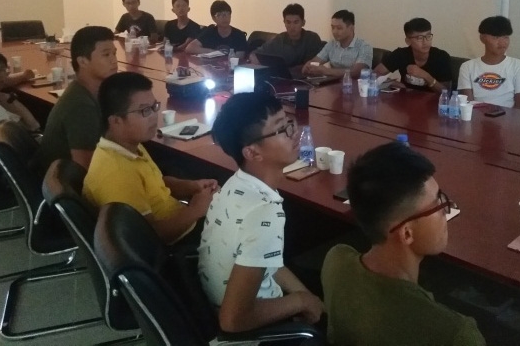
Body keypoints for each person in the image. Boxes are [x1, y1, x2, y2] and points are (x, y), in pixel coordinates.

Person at [321, 142, 485, 346]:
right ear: (407, 233)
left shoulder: (335, 262)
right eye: (438, 203)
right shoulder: (455, 335)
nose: (446, 210)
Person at [199, 92, 323, 333]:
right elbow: (233, 320)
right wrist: (301, 301)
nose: (294, 133)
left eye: (288, 123)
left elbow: (267, 262)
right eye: (281, 129)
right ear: (253, 153)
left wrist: (306, 296)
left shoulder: (236, 184)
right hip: (257, 328)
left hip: (213, 301)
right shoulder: (264, 213)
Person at [83, 72, 216, 246]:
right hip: (179, 244)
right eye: (144, 110)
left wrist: (192, 186)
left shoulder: (129, 145)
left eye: (154, 107)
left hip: (181, 218)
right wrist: (195, 210)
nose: (154, 116)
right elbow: (148, 238)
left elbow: (156, 184)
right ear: (116, 121)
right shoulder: (117, 174)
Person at [35, 26, 118, 172]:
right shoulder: (81, 106)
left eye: (114, 53)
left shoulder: (84, 90)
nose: (114, 60)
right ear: (83, 61)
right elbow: (86, 169)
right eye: (106, 55)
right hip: (66, 181)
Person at [457, 16, 520, 109]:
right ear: (482, 38)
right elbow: (467, 104)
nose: (502, 43)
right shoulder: (467, 67)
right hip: (476, 115)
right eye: (496, 37)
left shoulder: (519, 66)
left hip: (508, 116)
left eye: (506, 37)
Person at [374, 17, 453, 92]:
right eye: (419, 38)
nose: (425, 42)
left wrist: (426, 76)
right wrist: (391, 83)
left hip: (432, 100)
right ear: (408, 41)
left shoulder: (441, 57)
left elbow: (446, 91)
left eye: (428, 36)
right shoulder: (400, 54)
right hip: (405, 99)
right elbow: (374, 74)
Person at [302, 9, 372, 79]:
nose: (334, 32)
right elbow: (315, 61)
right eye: (332, 27)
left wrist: (326, 71)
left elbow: (356, 72)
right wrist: (309, 66)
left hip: (355, 84)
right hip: (333, 83)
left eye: (339, 28)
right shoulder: (331, 44)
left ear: (351, 28)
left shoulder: (364, 46)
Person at [249, 3, 322, 69]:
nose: (292, 27)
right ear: (284, 22)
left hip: (306, 77)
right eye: (288, 22)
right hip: (281, 76)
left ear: (303, 23)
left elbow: (312, 65)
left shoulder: (312, 39)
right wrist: (256, 60)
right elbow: (254, 54)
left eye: (296, 22)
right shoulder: (279, 39)